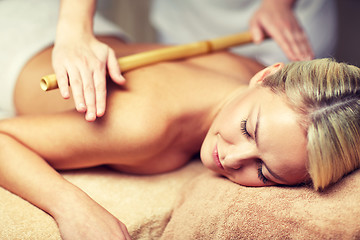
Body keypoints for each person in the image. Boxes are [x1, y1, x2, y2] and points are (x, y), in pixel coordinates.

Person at [1, 36, 360, 239]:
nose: (233, 159)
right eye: (248, 130)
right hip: (17, 48)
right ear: (266, 74)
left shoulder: (246, 75)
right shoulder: (141, 127)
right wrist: (73, 208)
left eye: (265, 172)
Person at [52, 0, 337, 122]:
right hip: (188, 20)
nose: (231, 159)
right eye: (246, 128)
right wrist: (74, 30)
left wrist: (277, 4)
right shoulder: (145, 122)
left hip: (287, 31)